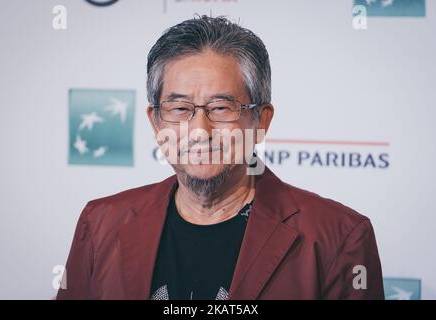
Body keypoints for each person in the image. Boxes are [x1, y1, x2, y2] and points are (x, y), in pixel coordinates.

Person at [57, 15, 384, 300]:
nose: (200, 130)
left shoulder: (338, 237)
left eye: (221, 108)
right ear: (156, 121)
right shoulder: (100, 222)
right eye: (180, 109)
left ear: (261, 121)